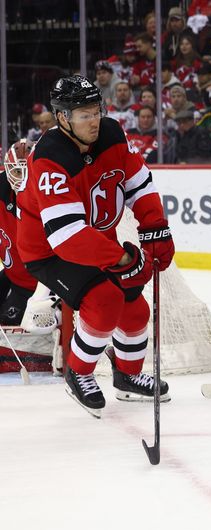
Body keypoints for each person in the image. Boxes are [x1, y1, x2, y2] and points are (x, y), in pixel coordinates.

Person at [16, 75, 174, 417]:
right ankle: (79, 373)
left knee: (136, 311)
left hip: (98, 241)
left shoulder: (113, 134)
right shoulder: (50, 158)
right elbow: (67, 234)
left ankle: (128, 377)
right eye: (83, 114)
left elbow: (138, 183)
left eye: (95, 110)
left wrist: (155, 227)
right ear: (62, 118)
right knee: (104, 301)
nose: (93, 120)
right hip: (50, 251)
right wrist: (121, 258)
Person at [1, 140, 40, 325]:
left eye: (29, 171)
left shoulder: (53, 202)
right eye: (17, 171)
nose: (23, 178)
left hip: (39, 288)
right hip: (11, 277)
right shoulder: (2, 191)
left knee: (9, 327)